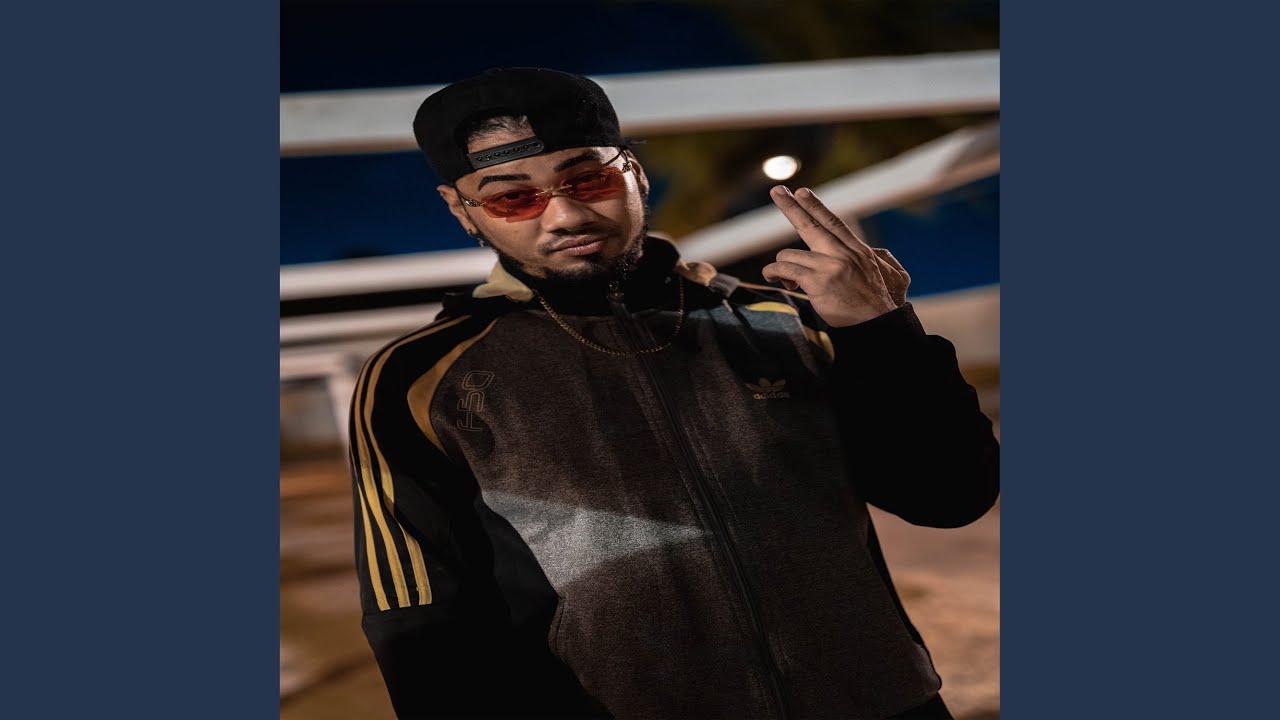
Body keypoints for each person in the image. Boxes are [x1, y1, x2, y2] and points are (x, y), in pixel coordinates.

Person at [348, 67, 999, 720]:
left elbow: (949, 497)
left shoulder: (786, 322)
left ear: (633, 172)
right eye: (514, 199)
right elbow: (421, 624)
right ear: (460, 209)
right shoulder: (419, 378)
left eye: (589, 179)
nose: (566, 215)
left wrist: (882, 331)